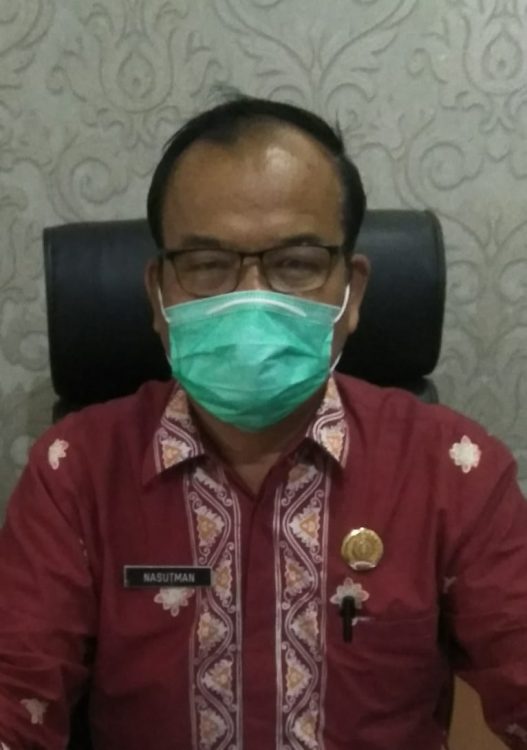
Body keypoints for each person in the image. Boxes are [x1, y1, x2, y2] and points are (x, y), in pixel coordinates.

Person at [0, 96, 526, 750]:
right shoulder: (74, 472)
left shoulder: (452, 469)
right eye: (206, 265)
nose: (251, 298)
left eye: (296, 263)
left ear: (352, 292)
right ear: (158, 296)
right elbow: (14, 689)